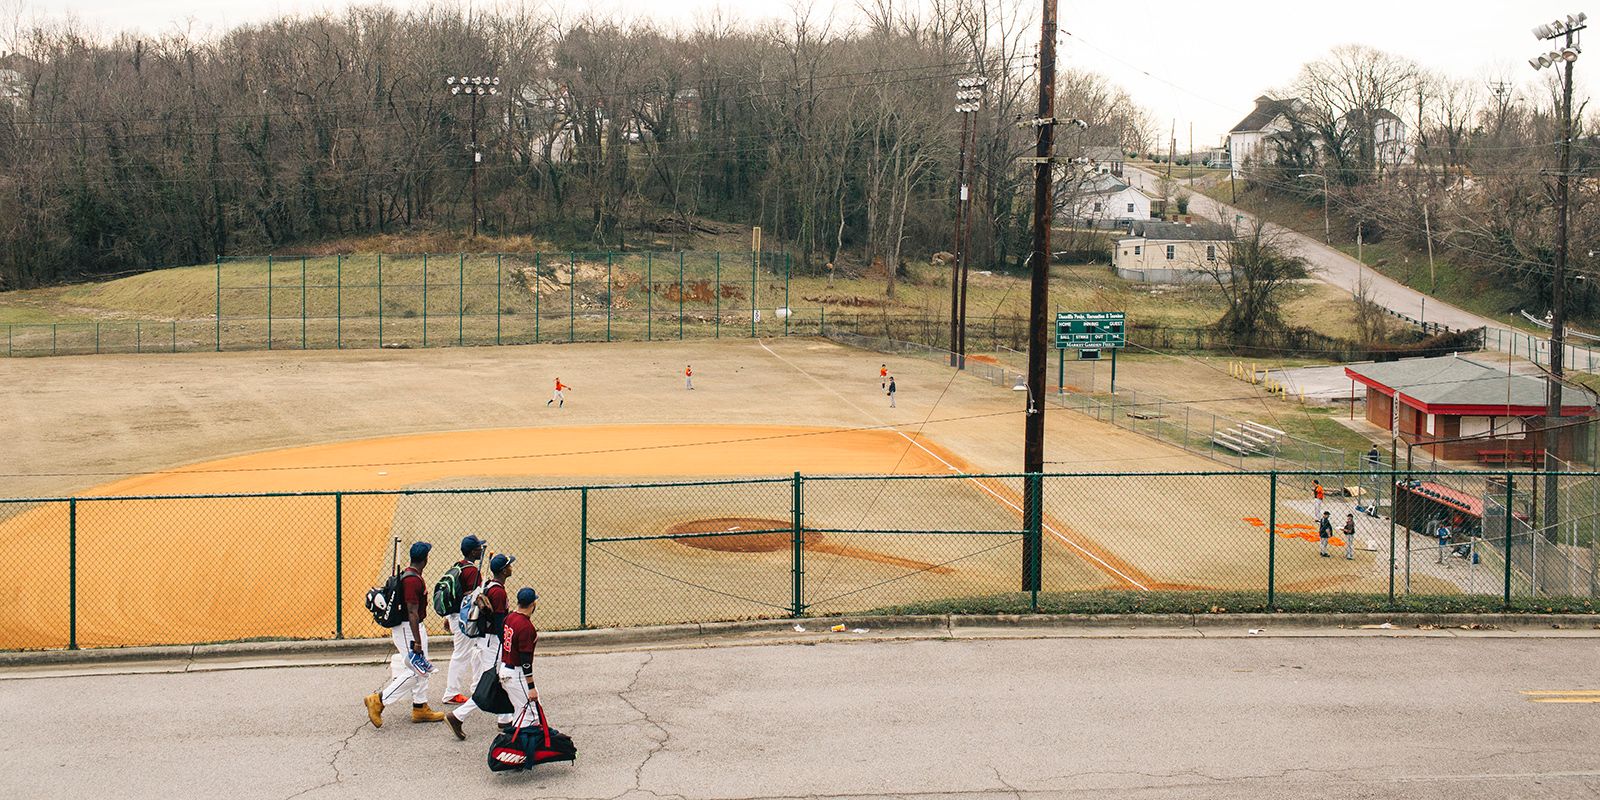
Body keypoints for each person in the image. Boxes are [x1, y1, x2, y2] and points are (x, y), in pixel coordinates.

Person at [365, 541, 446, 728]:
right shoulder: (412, 580)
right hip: (408, 628)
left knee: (421, 671)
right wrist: (417, 640)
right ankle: (379, 700)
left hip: (411, 627)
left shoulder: (410, 576)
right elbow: (412, 611)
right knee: (418, 671)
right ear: (425, 559)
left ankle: (420, 707)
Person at [450, 586, 542, 740]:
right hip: (501, 654)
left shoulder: (509, 616)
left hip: (502, 657)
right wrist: (531, 686)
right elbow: (524, 659)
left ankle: (505, 721)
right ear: (533, 604)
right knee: (491, 689)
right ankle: (459, 716)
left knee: (511, 697)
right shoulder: (524, 626)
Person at [445, 554, 516, 738]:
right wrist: (508, 644)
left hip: (486, 640)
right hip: (494, 642)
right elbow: (500, 624)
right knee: (491, 683)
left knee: (499, 681)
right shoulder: (499, 592)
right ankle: (458, 716)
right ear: (503, 570)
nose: (511, 568)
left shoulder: (490, 585)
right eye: (509, 566)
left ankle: (505, 719)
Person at [442, 535, 486, 705]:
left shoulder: (457, 566)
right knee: (461, 654)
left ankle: (477, 686)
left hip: (455, 616)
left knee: (475, 650)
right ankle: (451, 692)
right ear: (473, 551)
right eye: (479, 548)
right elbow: (475, 598)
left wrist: (448, 617)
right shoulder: (472, 571)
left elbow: (456, 595)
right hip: (465, 619)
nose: (481, 550)